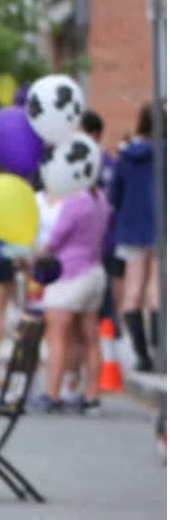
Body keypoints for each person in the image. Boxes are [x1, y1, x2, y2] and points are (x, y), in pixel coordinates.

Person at [36, 159, 114, 410]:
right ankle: (91, 397)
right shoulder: (100, 197)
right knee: (90, 336)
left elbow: (56, 239)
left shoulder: (74, 201)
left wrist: (37, 252)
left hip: (69, 272)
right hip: (95, 270)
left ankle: (53, 393)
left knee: (57, 334)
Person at [106, 104, 158, 374]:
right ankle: (160, 349)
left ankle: (142, 355)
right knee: (157, 292)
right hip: (162, 226)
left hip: (131, 225)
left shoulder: (127, 155)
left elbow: (114, 195)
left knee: (133, 292)